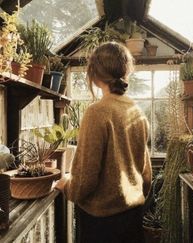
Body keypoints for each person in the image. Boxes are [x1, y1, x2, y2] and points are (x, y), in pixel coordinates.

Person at [55, 42, 152, 243]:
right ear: (126, 72)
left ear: (95, 74)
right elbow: (146, 175)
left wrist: (66, 185)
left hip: (102, 227)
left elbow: (84, 181)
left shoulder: (97, 112)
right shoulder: (138, 113)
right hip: (132, 220)